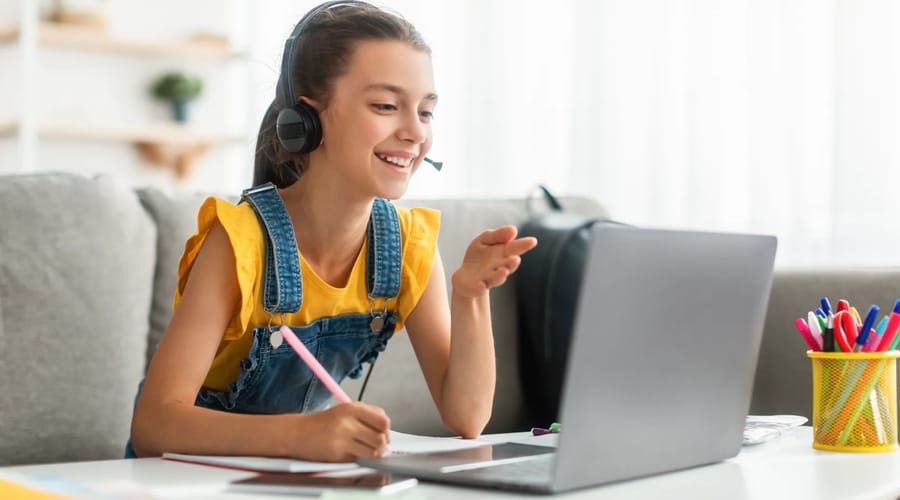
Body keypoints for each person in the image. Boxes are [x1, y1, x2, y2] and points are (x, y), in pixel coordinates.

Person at [128, 0, 537, 462]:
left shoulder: (407, 246)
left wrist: (469, 295)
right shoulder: (239, 242)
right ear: (308, 120)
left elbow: (467, 417)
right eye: (385, 105)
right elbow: (154, 426)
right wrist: (301, 437)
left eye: (425, 112)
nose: (415, 133)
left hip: (292, 476)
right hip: (189, 479)